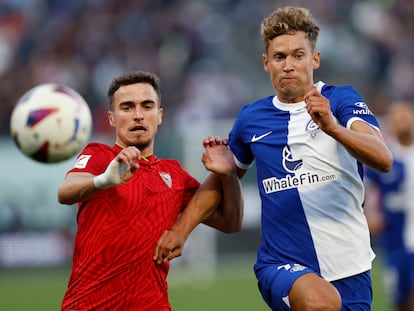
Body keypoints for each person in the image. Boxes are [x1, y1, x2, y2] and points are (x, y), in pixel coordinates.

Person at [153, 6, 393, 311]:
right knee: (320, 302)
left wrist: (332, 126)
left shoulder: (342, 100)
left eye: (298, 55)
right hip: (282, 265)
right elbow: (220, 180)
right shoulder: (252, 119)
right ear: (267, 63)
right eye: (279, 57)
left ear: (314, 59)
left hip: (351, 267)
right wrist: (180, 231)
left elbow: (382, 158)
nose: (288, 65)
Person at [57, 71, 243, 310]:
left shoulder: (174, 174)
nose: (137, 115)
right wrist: (104, 180)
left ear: (159, 115)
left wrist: (228, 175)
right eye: (127, 107)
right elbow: (65, 192)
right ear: (112, 118)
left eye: (147, 106)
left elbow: (230, 222)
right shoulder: (100, 155)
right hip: (88, 305)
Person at [364, 101, 414, 311]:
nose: (401, 121)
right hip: (395, 241)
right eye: (397, 117)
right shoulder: (385, 156)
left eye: (405, 116)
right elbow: (366, 186)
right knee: (400, 300)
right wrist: (371, 212)